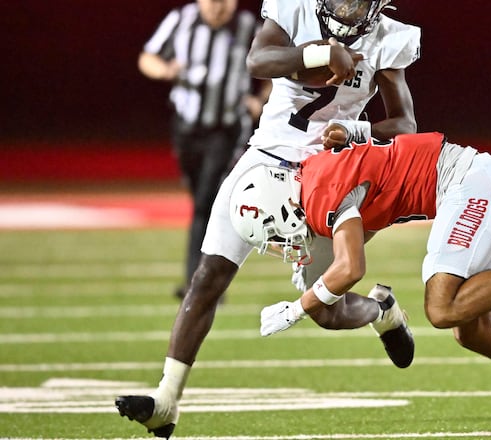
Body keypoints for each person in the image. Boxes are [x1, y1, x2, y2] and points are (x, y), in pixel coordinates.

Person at [115, 0, 421, 438]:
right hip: (264, 157)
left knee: (326, 311)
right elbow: (258, 60)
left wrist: (356, 131)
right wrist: (315, 54)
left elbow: (405, 124)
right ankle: (166, 400)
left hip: (330, 174)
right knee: (208, 275)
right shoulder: (295, 6)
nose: (347, 6)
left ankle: (382, 311)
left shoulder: (390, 36)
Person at [234, 121, 491, 440]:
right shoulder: (314, 178)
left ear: (280, 205)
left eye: (274, 233)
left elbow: (351, 267)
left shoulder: (321, 193)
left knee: (441, 308)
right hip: (468, 181)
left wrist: (297, 309)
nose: (282, 243)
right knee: (475, 333)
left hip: (466, 182)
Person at [138, 0, 271, 300]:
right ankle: (202, 282)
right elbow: (147, 57)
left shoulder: (248, 27)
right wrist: (164, 70)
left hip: (225, 130)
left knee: (206, 204)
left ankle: (199, 284)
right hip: (186, 127)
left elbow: (275, 70)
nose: (218, 8)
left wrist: (259, 100)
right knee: (199, 196)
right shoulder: (181, 20)